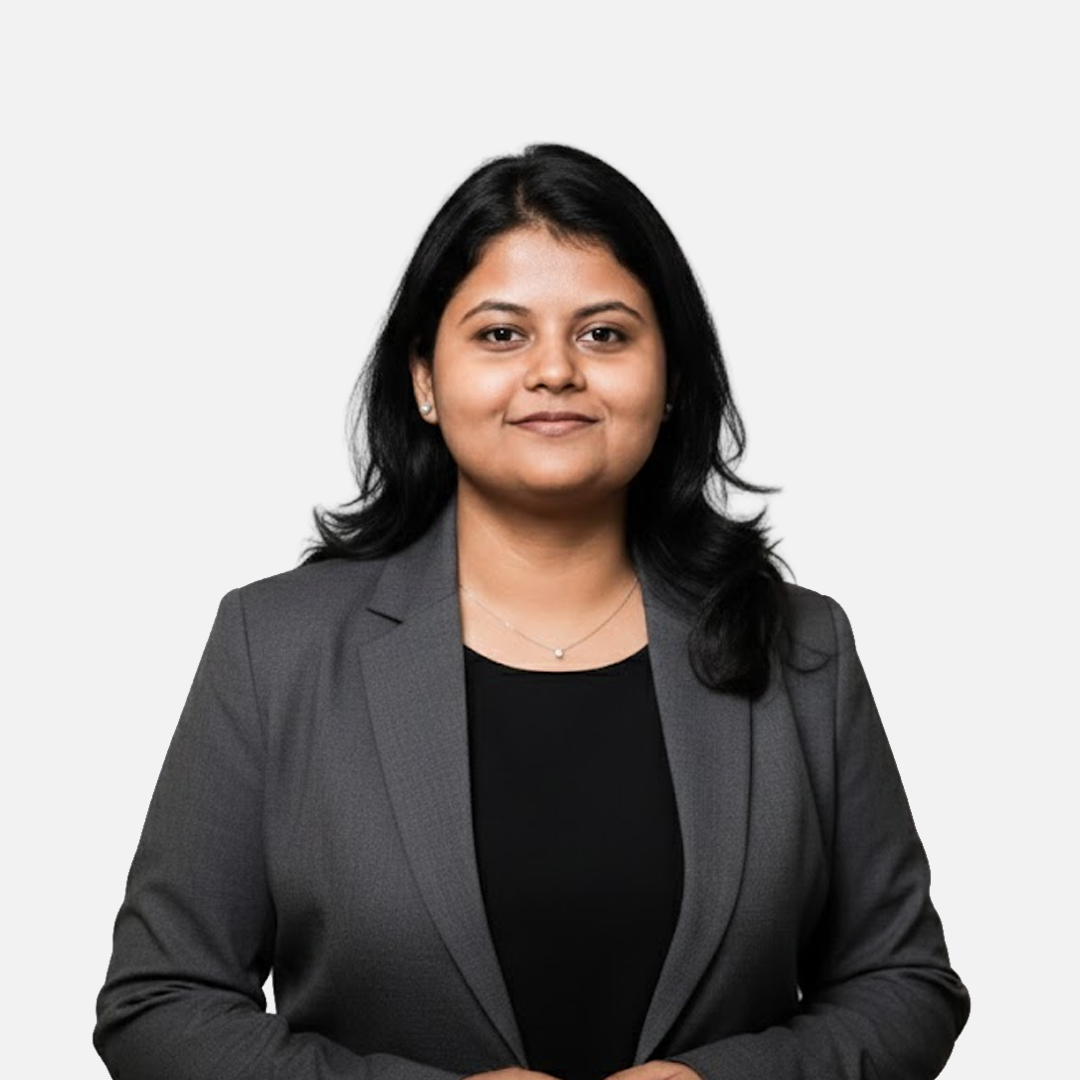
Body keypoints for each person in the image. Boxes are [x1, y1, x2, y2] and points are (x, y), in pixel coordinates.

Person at [93, 144, 970, 1080]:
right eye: (502, 334)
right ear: (424, 379)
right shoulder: (275, 647)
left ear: (672, 379)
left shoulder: (803, 646)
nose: (555, 370)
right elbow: (160, 1004)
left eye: (605, 335)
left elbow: (904, 985)